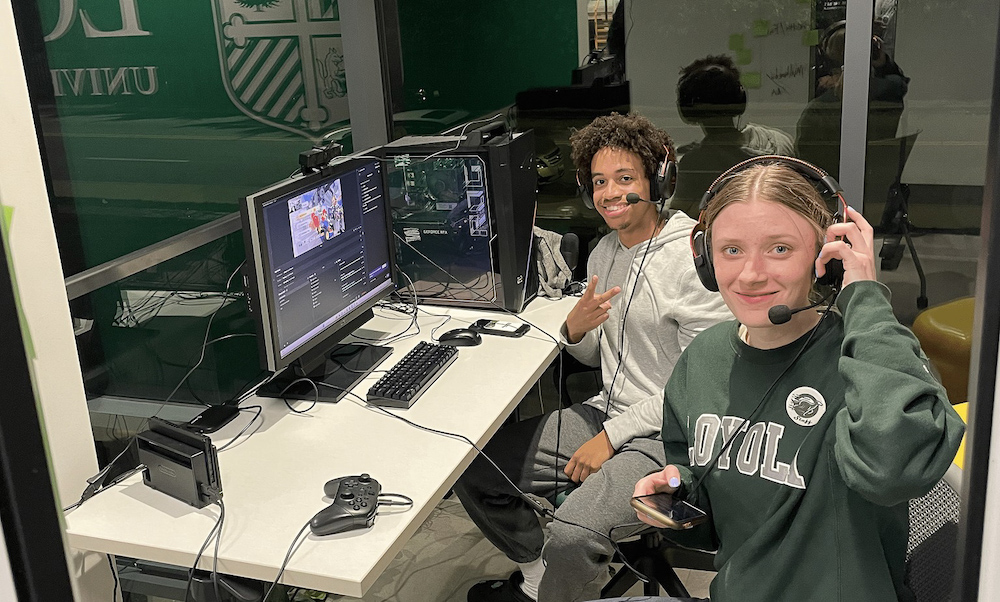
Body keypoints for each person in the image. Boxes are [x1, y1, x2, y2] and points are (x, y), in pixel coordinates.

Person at [629, 159, 964, 601]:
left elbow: (894, 472)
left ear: (826, 258)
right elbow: (713, 526)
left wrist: (864, 298)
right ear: (705, 259)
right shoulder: (703, 359)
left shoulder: (871, 354)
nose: (750, 274)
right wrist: (680, 494)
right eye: (731, 250)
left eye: (780, 249)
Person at [453, 112, 731, 602]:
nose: (609, 194)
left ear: (658, 180)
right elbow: (597, 357)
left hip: (671, 433)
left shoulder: (693, 261)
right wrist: (575, 331)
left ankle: (554, 584)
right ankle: (541, 571)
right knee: (470, 469)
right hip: (609, 411)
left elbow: (697, 389)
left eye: (625, 179)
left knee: (574, 532)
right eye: (599, 182)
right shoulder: (604, 251)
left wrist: (611, 437)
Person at [670, 55, 795, 219]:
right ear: (740, 100)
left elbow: (681, 219)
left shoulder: (695, 162)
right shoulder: (779, 141)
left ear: (687, 110)